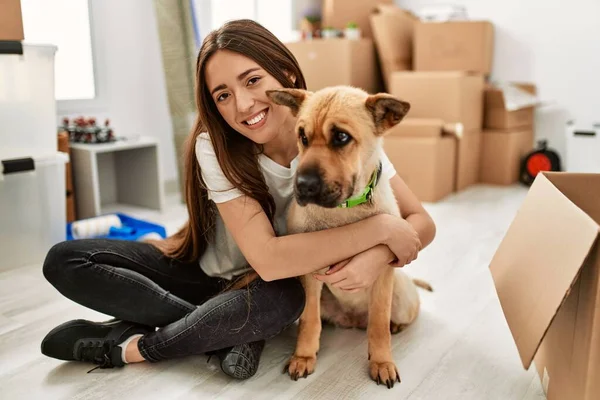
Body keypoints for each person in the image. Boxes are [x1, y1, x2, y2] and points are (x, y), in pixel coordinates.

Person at [40, 19, 436, 380]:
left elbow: (420, 222)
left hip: (273, 286)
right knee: (66, 259)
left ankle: (133, 346)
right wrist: (383, 229)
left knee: (282, 302)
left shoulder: (348, 130)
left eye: (251, 81)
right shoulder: (213, 146)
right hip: (209, 273)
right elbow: (267, 254)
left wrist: (381, 251)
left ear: (285, 75)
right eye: (223, 95)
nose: (243, 105)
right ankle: (221, 330)